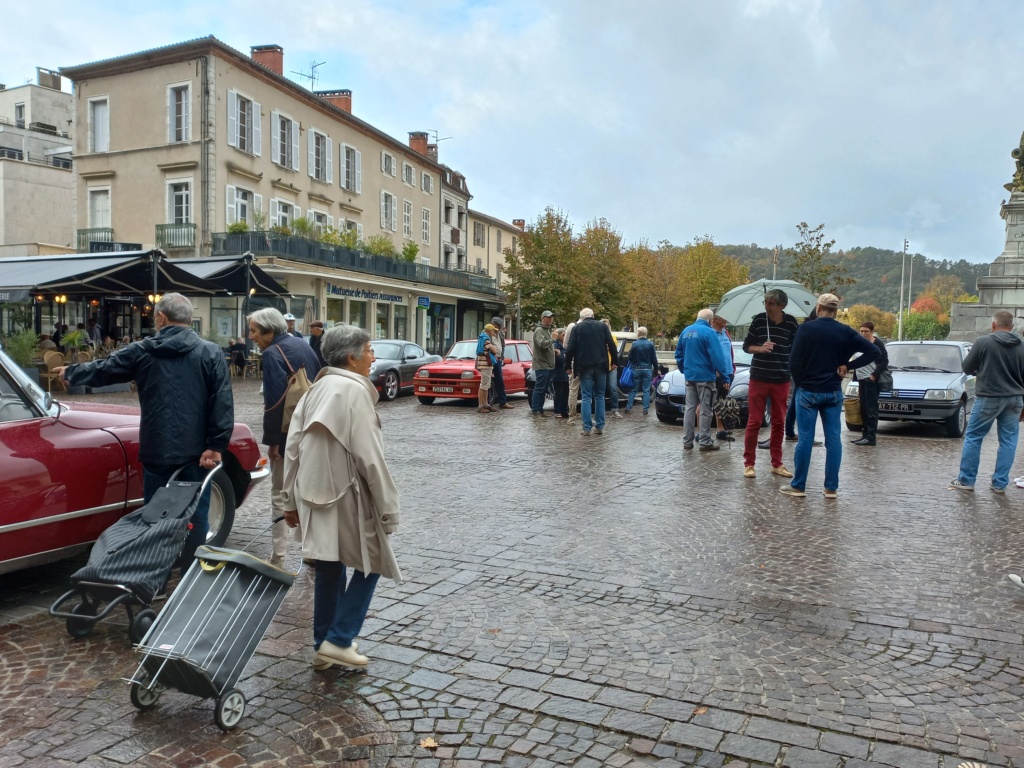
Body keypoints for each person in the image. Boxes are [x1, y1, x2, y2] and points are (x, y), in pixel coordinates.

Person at [59, 293, 233, 569]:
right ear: (188, 319)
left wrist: (71, 372)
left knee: (155, 513)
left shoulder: (143, 350)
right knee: (198, 512)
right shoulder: (209, 352)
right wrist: (216, 444)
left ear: (161, 318)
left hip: (158, 447)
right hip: (198, 450)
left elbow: (105, 369)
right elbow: (221, 401)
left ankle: (155, 571)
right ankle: (190, 572)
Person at [281, 323, 401, 670]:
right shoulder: (353, 391)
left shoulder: (317, 387)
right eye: (369, 350)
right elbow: (370, 457)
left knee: (329, 564)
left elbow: (292, 447)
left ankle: (324, 645)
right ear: (352, 357)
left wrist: (290, 500)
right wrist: (388, 508)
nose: (372, 357)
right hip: (346, 494)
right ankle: (339, 638)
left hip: (311, 491)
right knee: (373, 562)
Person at [781, 293, 880, 499]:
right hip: (833, 390)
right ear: (835, 311)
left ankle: (799, 486)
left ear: (818, 308)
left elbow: (793, 362)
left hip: (808, 390)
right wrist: (848, 366)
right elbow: (874, 352)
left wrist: (801, 382)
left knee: (805, 439)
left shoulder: (806, 329)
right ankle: (831, 488)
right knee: (833, 439)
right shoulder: (845, 331)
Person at [249, 307, 323, 567]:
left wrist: (273, 443)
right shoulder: (303, 346)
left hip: (288, 435)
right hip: (312, 430)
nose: (251, 336)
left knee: (280, 493)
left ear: (269, 331)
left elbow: (274, 402)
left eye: (255, 331)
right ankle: (312, 551)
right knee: (307, 492)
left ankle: (278, 557)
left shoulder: (271, 354)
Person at [950, 310, 1024, 493]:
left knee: (974, 437)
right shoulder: (1022, 345)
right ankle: (999, 484)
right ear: (1012, 327)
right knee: (1009, 440)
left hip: (989, 397)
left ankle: (966, 480)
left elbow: (967, 368)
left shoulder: (983, 342)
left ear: (993, 324)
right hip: (1014, 398)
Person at [742, 288, 800, 479]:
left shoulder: (791, 322)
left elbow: (797, 348)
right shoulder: (759, 320)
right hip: (758, 377)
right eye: (765, 302)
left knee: (778, 422)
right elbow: (746, 346)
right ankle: (749, 464)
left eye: (771, 303)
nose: (767, 306)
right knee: (755, 421)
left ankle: (777, 463)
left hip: (781, 379)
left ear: (782, 305)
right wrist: (760, 348)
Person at [676, 309, 732, 451]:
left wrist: (684, 369)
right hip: (705, 377)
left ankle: (687, 441)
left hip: (690, 377)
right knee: (706, 409)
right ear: (710, 320)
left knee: (689, 408)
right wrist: (725, 376)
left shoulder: (686, 331)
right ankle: (705, 441)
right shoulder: (709, 333)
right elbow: (717, 357)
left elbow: (679, 354)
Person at [565, 308, 618, 436]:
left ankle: (587, 428)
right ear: (593, 315)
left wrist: (567, 366)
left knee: (586, 397)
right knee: (600, 396)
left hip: (584, 366)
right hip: (601, 365)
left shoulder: (577, 328)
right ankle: (599, 426)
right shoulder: (602, 326)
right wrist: (614, 361)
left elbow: (570, 348)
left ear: (581, 317)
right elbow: (611, 344)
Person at [850, 321, 889, 447]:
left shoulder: (877, 343)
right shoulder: (859, 344)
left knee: (871, 409)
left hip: (871, 380)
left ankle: (871, 437)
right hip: (862, 379)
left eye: (866, 331)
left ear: (872, 332)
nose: (863, 333)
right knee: (863, 408)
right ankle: (865, 435)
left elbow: (884, 361)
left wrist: (874, 375)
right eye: (861, 331)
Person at [710, 313, 735, 438]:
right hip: (717, 373)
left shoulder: (726, 332)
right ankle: (707, 431)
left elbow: (729, 351)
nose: (726, 319)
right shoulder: (710, 333)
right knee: (712, 401)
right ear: (714, 319)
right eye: (723, 317)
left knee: (723, 401)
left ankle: (721, 429)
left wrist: (732, 367)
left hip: (729, 372)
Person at [625, 326, 658, 415]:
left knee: (633, 389)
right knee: (646, 390)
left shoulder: (635, 344)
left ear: (638, 333)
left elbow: (630, 357)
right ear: (645, 334)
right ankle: (645, 409)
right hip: (647, 369)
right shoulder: (650, 344)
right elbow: (654, 358)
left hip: (637, 368)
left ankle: (628, 408)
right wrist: (656, 369)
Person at [531, 311, 556, 416]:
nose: (550, 319)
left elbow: (547, 346)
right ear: (543, 318)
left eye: (551, 317)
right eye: (548, 317)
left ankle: (540, 409)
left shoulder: (546, 330)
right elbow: (542, 344)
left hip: (548, 365)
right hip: (542, 365)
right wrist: (553, 339)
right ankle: (536, 409)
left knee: (544, 388)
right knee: (540, 388)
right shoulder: (540, 330)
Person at [564, 310, 585, 425]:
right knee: (587, 390)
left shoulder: (572, 326)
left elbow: (566, 345)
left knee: (573, 389)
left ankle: (572, 416)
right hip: (587, 362)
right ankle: (587, 416)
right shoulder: (592, 327)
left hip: (574, 361)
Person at [601, 319, 624, 419]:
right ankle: (600, 410)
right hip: (601, 366)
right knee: (600, 389)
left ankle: (615, 409)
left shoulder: (612, 338)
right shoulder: (598, 337)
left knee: (613, 388)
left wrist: (615, 363)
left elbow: (614, 350)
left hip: (611, 366)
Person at [476, 323, 500, 413]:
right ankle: (481, 405)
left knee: (486, 385)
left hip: (486, 365)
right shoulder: (486, 339)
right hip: (485, 364)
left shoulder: (482, 338)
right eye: (493, 330)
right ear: (490, 331)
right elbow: (494, 351)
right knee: (484, 385)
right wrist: (494, 349)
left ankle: (486, 404)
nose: (494, 332)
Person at [490, 316, 513, 409]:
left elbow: (503, 345)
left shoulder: (500, 334)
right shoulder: (487, 333)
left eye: (500, 326)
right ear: (493, 324)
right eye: (498, 325)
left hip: (498, 359)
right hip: (490, 359)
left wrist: (501, 357)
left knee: (500, 380)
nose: (499, 328)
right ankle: (486, 403)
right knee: (487, 382)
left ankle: (502, 401)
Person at [552, 328, 570, 418]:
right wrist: (563, 356)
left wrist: (563, 356)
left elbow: (567, 357)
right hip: (558, 372)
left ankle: (564, 410)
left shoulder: (565, 345)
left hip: (566, 372)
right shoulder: (555, 345)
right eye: (563, 335)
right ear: (558, 335)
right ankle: (558, 411)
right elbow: (559, 359)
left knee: (566, 392)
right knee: (559, 392)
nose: (565, 336)